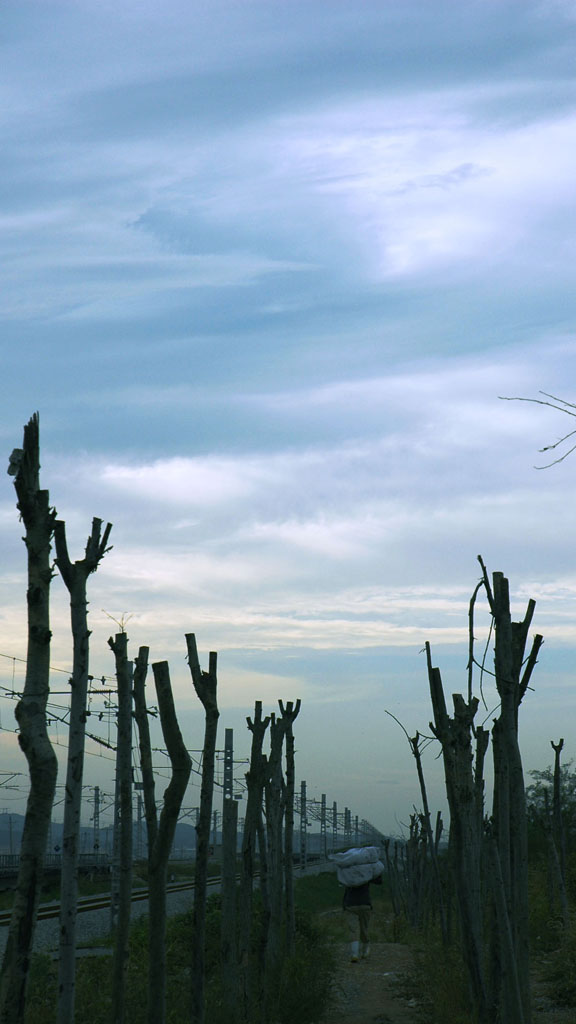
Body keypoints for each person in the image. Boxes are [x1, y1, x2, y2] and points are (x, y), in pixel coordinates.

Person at [343, 873, 382, 962]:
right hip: (365, 903)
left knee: (353, 929)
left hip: (350, 904)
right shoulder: (366, 871)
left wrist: (344, 905)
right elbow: (379, 881)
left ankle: (354, 954)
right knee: (364, 928)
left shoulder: (349, 871)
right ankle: (365, 951)